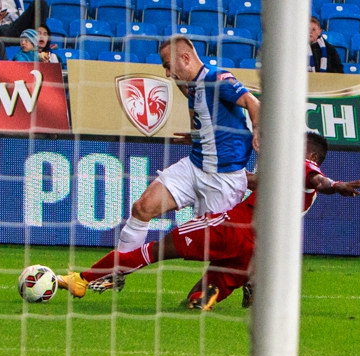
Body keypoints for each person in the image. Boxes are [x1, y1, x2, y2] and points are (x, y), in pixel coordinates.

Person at [59, 133, 360, 311]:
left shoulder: (301, 164)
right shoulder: (294, 182)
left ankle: (82, 278)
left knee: (153, 251)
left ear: (309, 152)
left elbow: (317, 179)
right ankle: (213, 292)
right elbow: (253, 180)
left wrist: (336, 185)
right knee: (200, 293)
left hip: (231, 229)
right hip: (256, 251)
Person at [105, 35, 260, 292]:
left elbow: (253, 102)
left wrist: (258, 131)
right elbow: (209, 116)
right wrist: (198, 135)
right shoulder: (193, 85)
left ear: (186, 58)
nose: (167, 73)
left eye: (168, 65)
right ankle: (117, 271)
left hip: (223, 177)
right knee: (143, 207)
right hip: (194, 166)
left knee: (223, 248)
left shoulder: (215, 79)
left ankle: (252, 279)